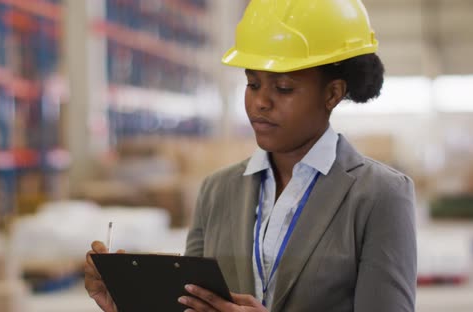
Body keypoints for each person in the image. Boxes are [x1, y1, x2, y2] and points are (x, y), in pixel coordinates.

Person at [85, 0, 417, 311]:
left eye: (283, 88)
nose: (261, 102)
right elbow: (190, 304)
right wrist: (131, 301)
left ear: (332, 94)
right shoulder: (217, 190)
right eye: (253, 84)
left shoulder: (379, 195)